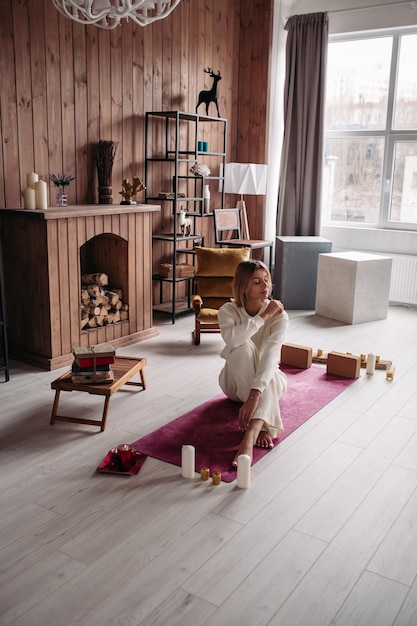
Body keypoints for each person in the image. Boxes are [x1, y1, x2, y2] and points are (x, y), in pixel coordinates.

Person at [217, 259, 288, 467]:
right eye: (257, 282)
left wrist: (255, 395)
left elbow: (271, 356)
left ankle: (251, 435)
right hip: (234, 384)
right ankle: (264, 423)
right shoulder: (228, 311)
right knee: (241, 345)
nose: (265, 286)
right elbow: (232, 341)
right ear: (243, 286)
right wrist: (264, 316)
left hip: (268, 381)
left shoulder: (281, 316)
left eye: (266, 280)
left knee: (270, 373)